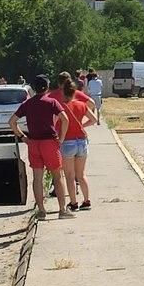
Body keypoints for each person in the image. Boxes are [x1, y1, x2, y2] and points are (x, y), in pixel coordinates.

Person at [9, 75, 72, 219]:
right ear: (47, 87)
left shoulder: (28, 103)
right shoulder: (52, 102)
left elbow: (12, 122)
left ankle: (41, 211)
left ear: (34, 88)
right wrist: (61, 138)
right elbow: (65, 119)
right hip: (50, 142)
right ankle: (62, 210)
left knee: (37, 177)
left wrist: (23, 137)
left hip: (33, 143)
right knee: (57, 176)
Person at [58, 78, 94, 211]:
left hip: (68, 142)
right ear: (75, 92)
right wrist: (82, 126)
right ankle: (86, 201)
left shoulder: (61, 106)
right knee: (81, 174)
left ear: (63, 92)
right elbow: (93, 119)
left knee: (69, 175)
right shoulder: (81, 104)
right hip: (82, 141)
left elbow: (55, 122)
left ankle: (73, 203)